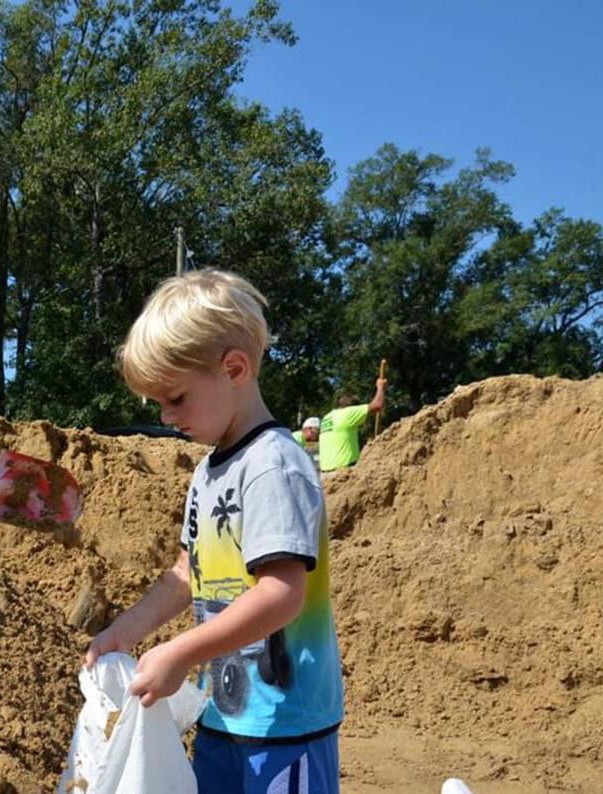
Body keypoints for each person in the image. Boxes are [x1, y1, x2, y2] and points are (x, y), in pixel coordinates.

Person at [86, 269, 343, 793]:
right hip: (223, 716)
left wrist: (180, 652)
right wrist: (126, 631)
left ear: (234, 368)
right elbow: (187, 573)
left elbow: (281, 594)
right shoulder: (208, 472)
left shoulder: (274, 465)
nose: (165, 414)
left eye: (176, 398)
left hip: (285, 727)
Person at [317, 380, 387, 473]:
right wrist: (381, 387)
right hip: (343, 472)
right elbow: (377, 405)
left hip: (325, 473)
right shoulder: (348, 413)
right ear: (353, 407)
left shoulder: (327, 417)